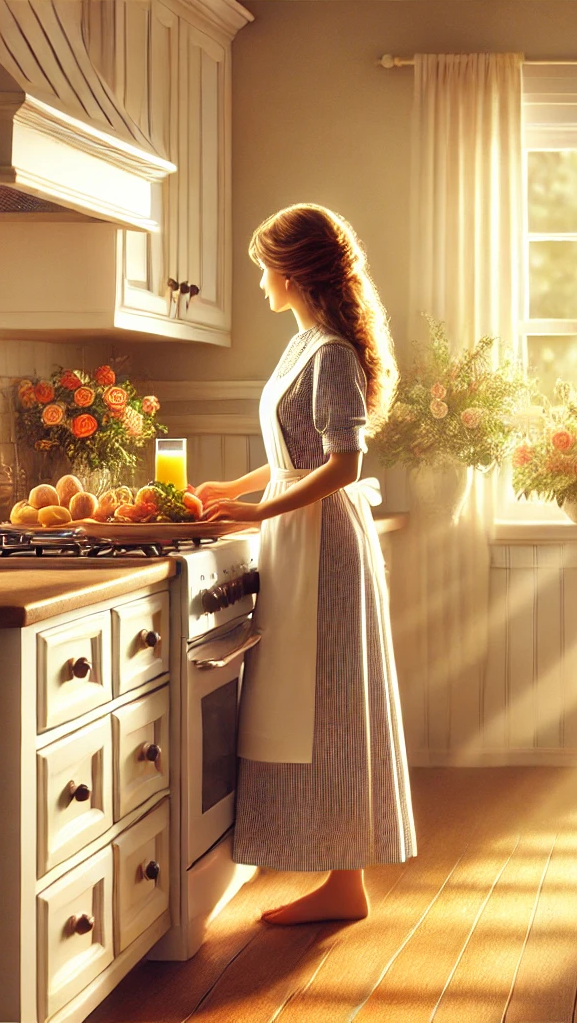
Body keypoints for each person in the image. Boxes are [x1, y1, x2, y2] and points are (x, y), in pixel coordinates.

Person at [197, 204, 417, 924]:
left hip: (325, 543)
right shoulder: (305, 346)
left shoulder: (330, 354)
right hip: (298, 532)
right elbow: (297, 455)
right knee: (305, 700)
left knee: (330, 701)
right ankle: (338, 876)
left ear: (291, 273)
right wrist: (235, 489)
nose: (260, 280)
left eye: (265, 267)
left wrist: (256, 515)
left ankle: (345, 881)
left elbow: (344, 465)